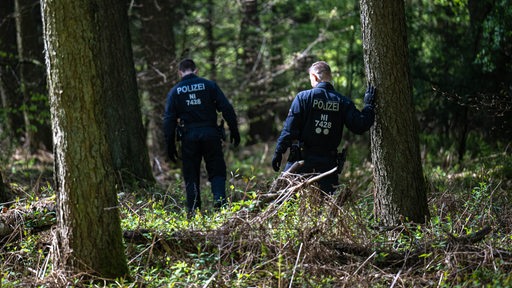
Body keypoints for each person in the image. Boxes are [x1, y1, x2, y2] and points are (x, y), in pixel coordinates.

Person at [271, 61, 376, 194]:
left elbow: (289, 129)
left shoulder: (303, 98)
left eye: (310, 79)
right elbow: (360, 126)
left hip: (301, 162)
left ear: (314, 77)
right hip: (328, 165)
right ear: (329, 77)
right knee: (327, 206)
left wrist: (278, 152)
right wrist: (369, 106)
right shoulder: (343, 101)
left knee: (286, 200)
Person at [163, 58, 240, 214]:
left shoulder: (175, 91)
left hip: (189, 137)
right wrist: (234, 130)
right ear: (196, 70)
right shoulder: (209, 85)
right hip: (211, 134)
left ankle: (193, 210)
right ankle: (219, 202)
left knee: (191, 173)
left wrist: (169, 145)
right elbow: (226, 108)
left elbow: (169, 120)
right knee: (217, 169)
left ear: (180, 73)